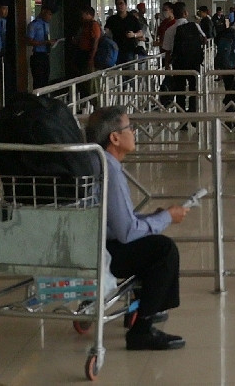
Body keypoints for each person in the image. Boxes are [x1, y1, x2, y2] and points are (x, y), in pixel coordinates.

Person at [85, 107, 189, 350]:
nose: (134, 132)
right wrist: (166, 218)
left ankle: (142, 306)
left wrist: (151, 219)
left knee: (149, 238)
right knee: (163, 250)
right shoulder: (109, 169)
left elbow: (118, 219)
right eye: (129, 128)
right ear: (115, 137)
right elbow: (127, 232)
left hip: (90, 243)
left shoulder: (92, 160)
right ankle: (142, 328)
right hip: (105, 252)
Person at [163, 2, 205, 120]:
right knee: (193, 89)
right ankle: (193, 114)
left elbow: (167, 51)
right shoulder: (195, 26)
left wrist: (167, 66)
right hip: (193, 63)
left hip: (178, 63)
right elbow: (205, 39)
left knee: (180, 90)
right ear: (186, 13)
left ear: (173, 14)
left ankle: (182, 119)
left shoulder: (170, 29)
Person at [73, 6, 101, 98]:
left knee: (90, 82)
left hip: (88, 55)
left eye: (83, 14)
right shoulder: (84, 26)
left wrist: (91, 58)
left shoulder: (94, 25)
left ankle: (92, 102)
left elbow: (95, 42)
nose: (81, 16)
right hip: (81, 54)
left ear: (89, 14)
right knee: (83, 80)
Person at [26, 5, 56, 90]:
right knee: (38, 81)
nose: (50, 17)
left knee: (45, 80)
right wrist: (44, 42)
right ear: (43, 12)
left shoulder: (46, 25)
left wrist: (50, 43)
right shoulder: (34, 25)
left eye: (51, 15)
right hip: (37, 56)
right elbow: (29, 41)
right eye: (49, 14)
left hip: (46, 55)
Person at [105, 0, 143, 64]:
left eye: (121, 3)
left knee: (128, 70)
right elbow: (107, 31)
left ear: (126, 5)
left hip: (129, 49)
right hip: (115, 49)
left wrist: (134, 35)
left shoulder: (132, 19)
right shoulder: (112, 19)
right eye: (117, 4)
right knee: (117, 70)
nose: (120, 6)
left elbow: (140, 32)